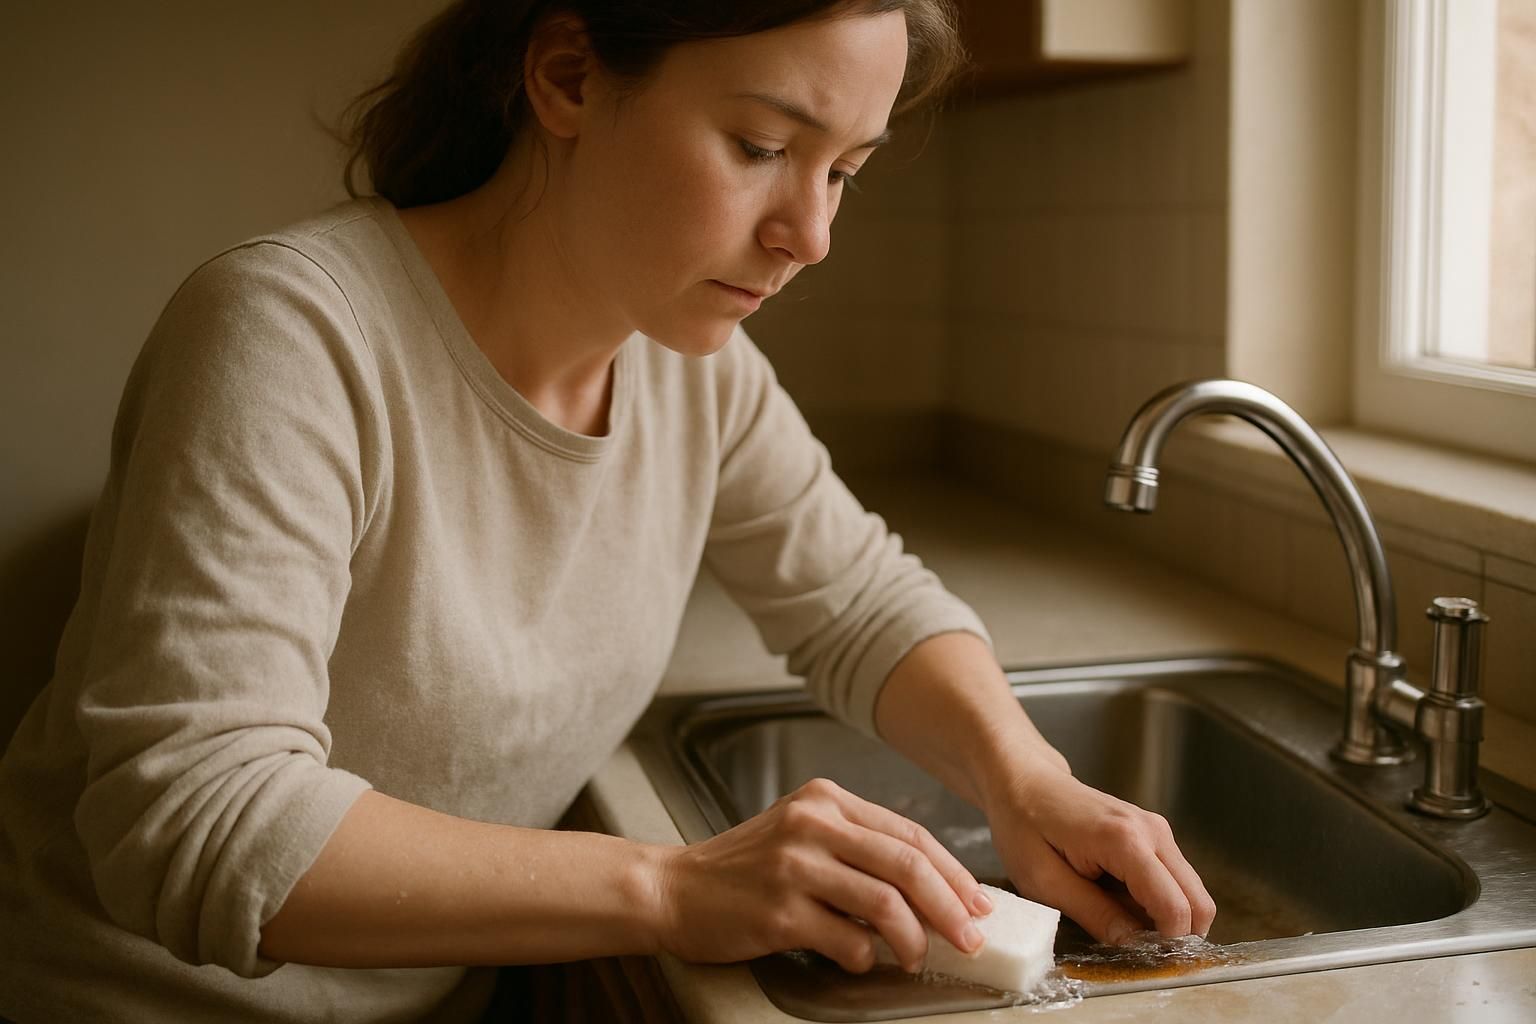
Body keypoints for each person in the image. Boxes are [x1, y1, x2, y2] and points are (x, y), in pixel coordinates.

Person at [0, 1, 1215, 1021]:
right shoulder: (293, 334)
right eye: (759, 146)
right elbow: (195, 815)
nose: (812, 234)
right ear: (569, 76)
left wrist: (1026, 777)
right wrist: (673, 888)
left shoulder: (695, 369)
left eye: (843, 170)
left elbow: (859, 601)